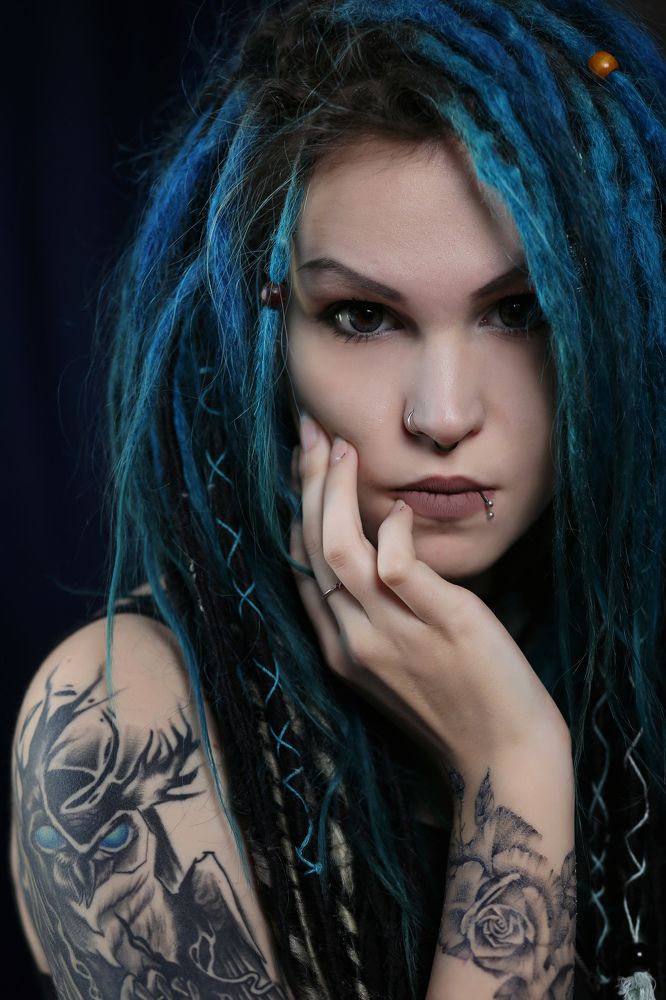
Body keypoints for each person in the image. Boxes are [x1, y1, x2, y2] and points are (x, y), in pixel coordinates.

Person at [10, 0, 666, 997]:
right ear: (262, 335)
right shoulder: (124, 721)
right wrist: (514, 769)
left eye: (519, 312)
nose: (443, 415)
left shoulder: (635, 661)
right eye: (363, 315)